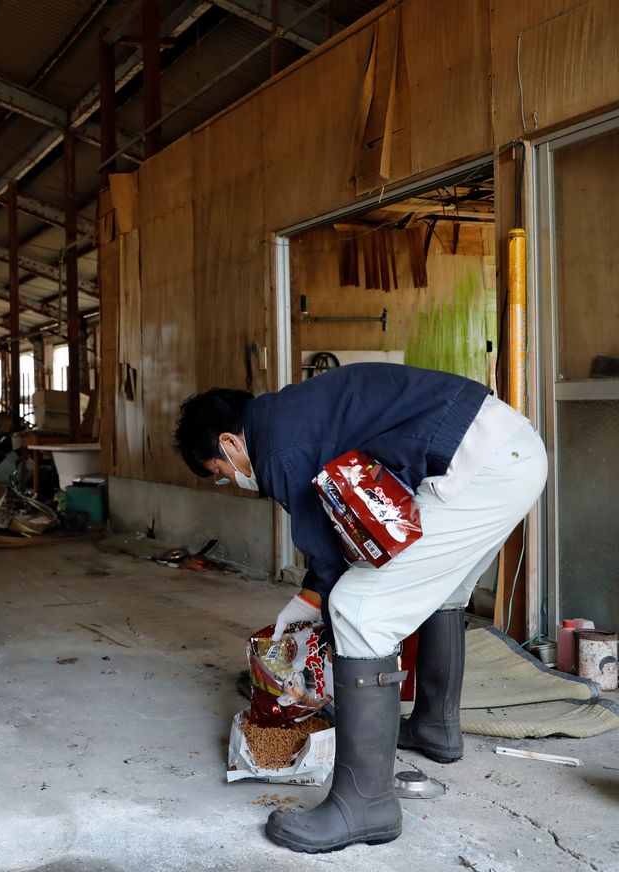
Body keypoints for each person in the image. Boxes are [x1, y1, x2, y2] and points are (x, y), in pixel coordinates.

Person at [174, 363, 546, 854]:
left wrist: (317, 663)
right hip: (508, 448)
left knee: (357, 607)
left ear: (229, 442)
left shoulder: (280, 450)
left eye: (220, 474)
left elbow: (334, 560)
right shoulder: (287, 418)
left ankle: (365, 803)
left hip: (482, 467)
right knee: (436, 586)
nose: (230, 481)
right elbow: (336, 539)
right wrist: (306, 601)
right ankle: (436, 725)